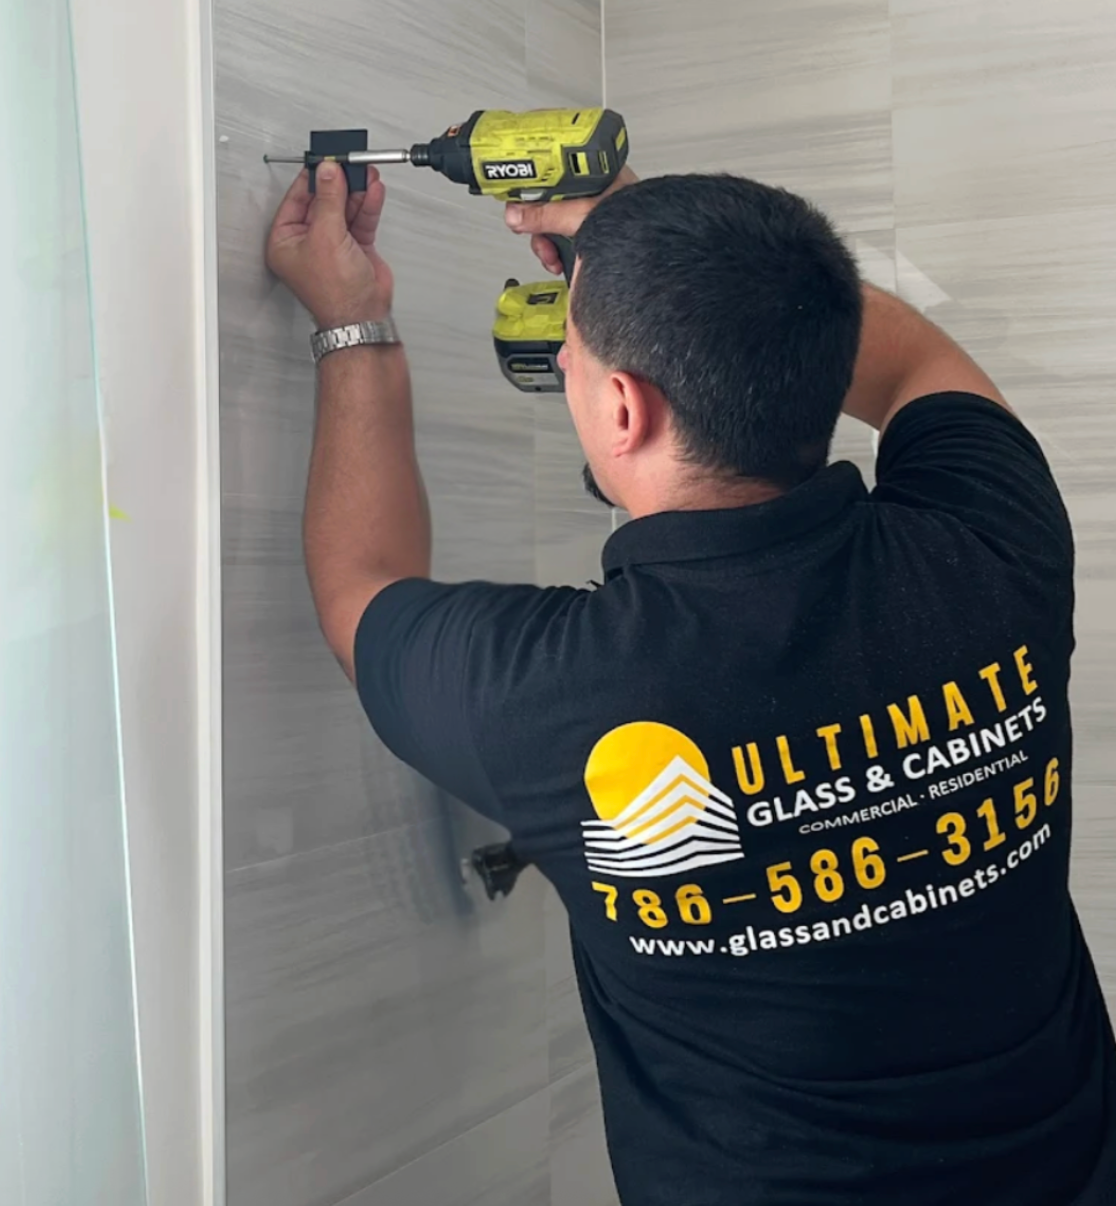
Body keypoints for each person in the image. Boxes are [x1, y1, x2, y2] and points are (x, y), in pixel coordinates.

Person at [265, 155, 1115, 1206]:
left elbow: (362, 583)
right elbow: (912, 361)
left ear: (624, 407)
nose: (564, 363)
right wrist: (674, 246)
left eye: (568, 348)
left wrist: (352, 320)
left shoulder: (554, 694)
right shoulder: (993, 546)